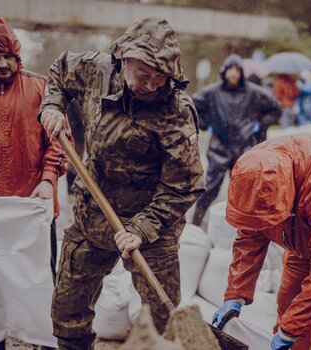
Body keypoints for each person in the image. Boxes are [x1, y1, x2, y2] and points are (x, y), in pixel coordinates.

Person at [39, 17, 204, 350]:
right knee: (68, 312)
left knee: (162, 322)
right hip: (93, 215)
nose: (152, 85)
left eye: (161, 77)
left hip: (152, 227)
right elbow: (59, 70)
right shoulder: (96, 71)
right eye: (144, 74)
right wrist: (53, 106)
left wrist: (141, 228)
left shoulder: (176, 111)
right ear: (123, 59)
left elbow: (185, 185)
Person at [0, 17, 67, 350]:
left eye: (7, 56)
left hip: (32, 209)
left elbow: (61, 141)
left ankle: (45, 343)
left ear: (18, 56)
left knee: (40, 282)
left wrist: (48, 180)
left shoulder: (42, 89)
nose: (2, 64)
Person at [211, 134, 311, 350]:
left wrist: (289, 331)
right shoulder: (257, 171)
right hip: (303, 238)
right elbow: (251, 233)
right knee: (290, 305)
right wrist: (235, 294)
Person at [191, 54, 281, 226]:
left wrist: (259, 125)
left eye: (237, 70)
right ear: (224, 71)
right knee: (209, 189)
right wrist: (204, 123)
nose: (233, 74)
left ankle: (245, 227)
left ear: (241, 72)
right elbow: (191, 106)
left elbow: (275, 108)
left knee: (246, 191)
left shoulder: (253, 93)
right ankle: (195, 224)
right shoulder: (212, 92)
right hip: (219, 147)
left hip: (244, 148)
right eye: (230, 70)